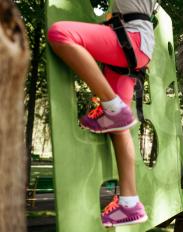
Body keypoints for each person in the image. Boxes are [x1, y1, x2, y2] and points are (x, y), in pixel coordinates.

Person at [47, 0, 158, 227]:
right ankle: (130, 203)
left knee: (60, 34)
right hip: (137, 47)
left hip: (132, 39)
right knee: (119, 126)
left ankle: (112, 106)